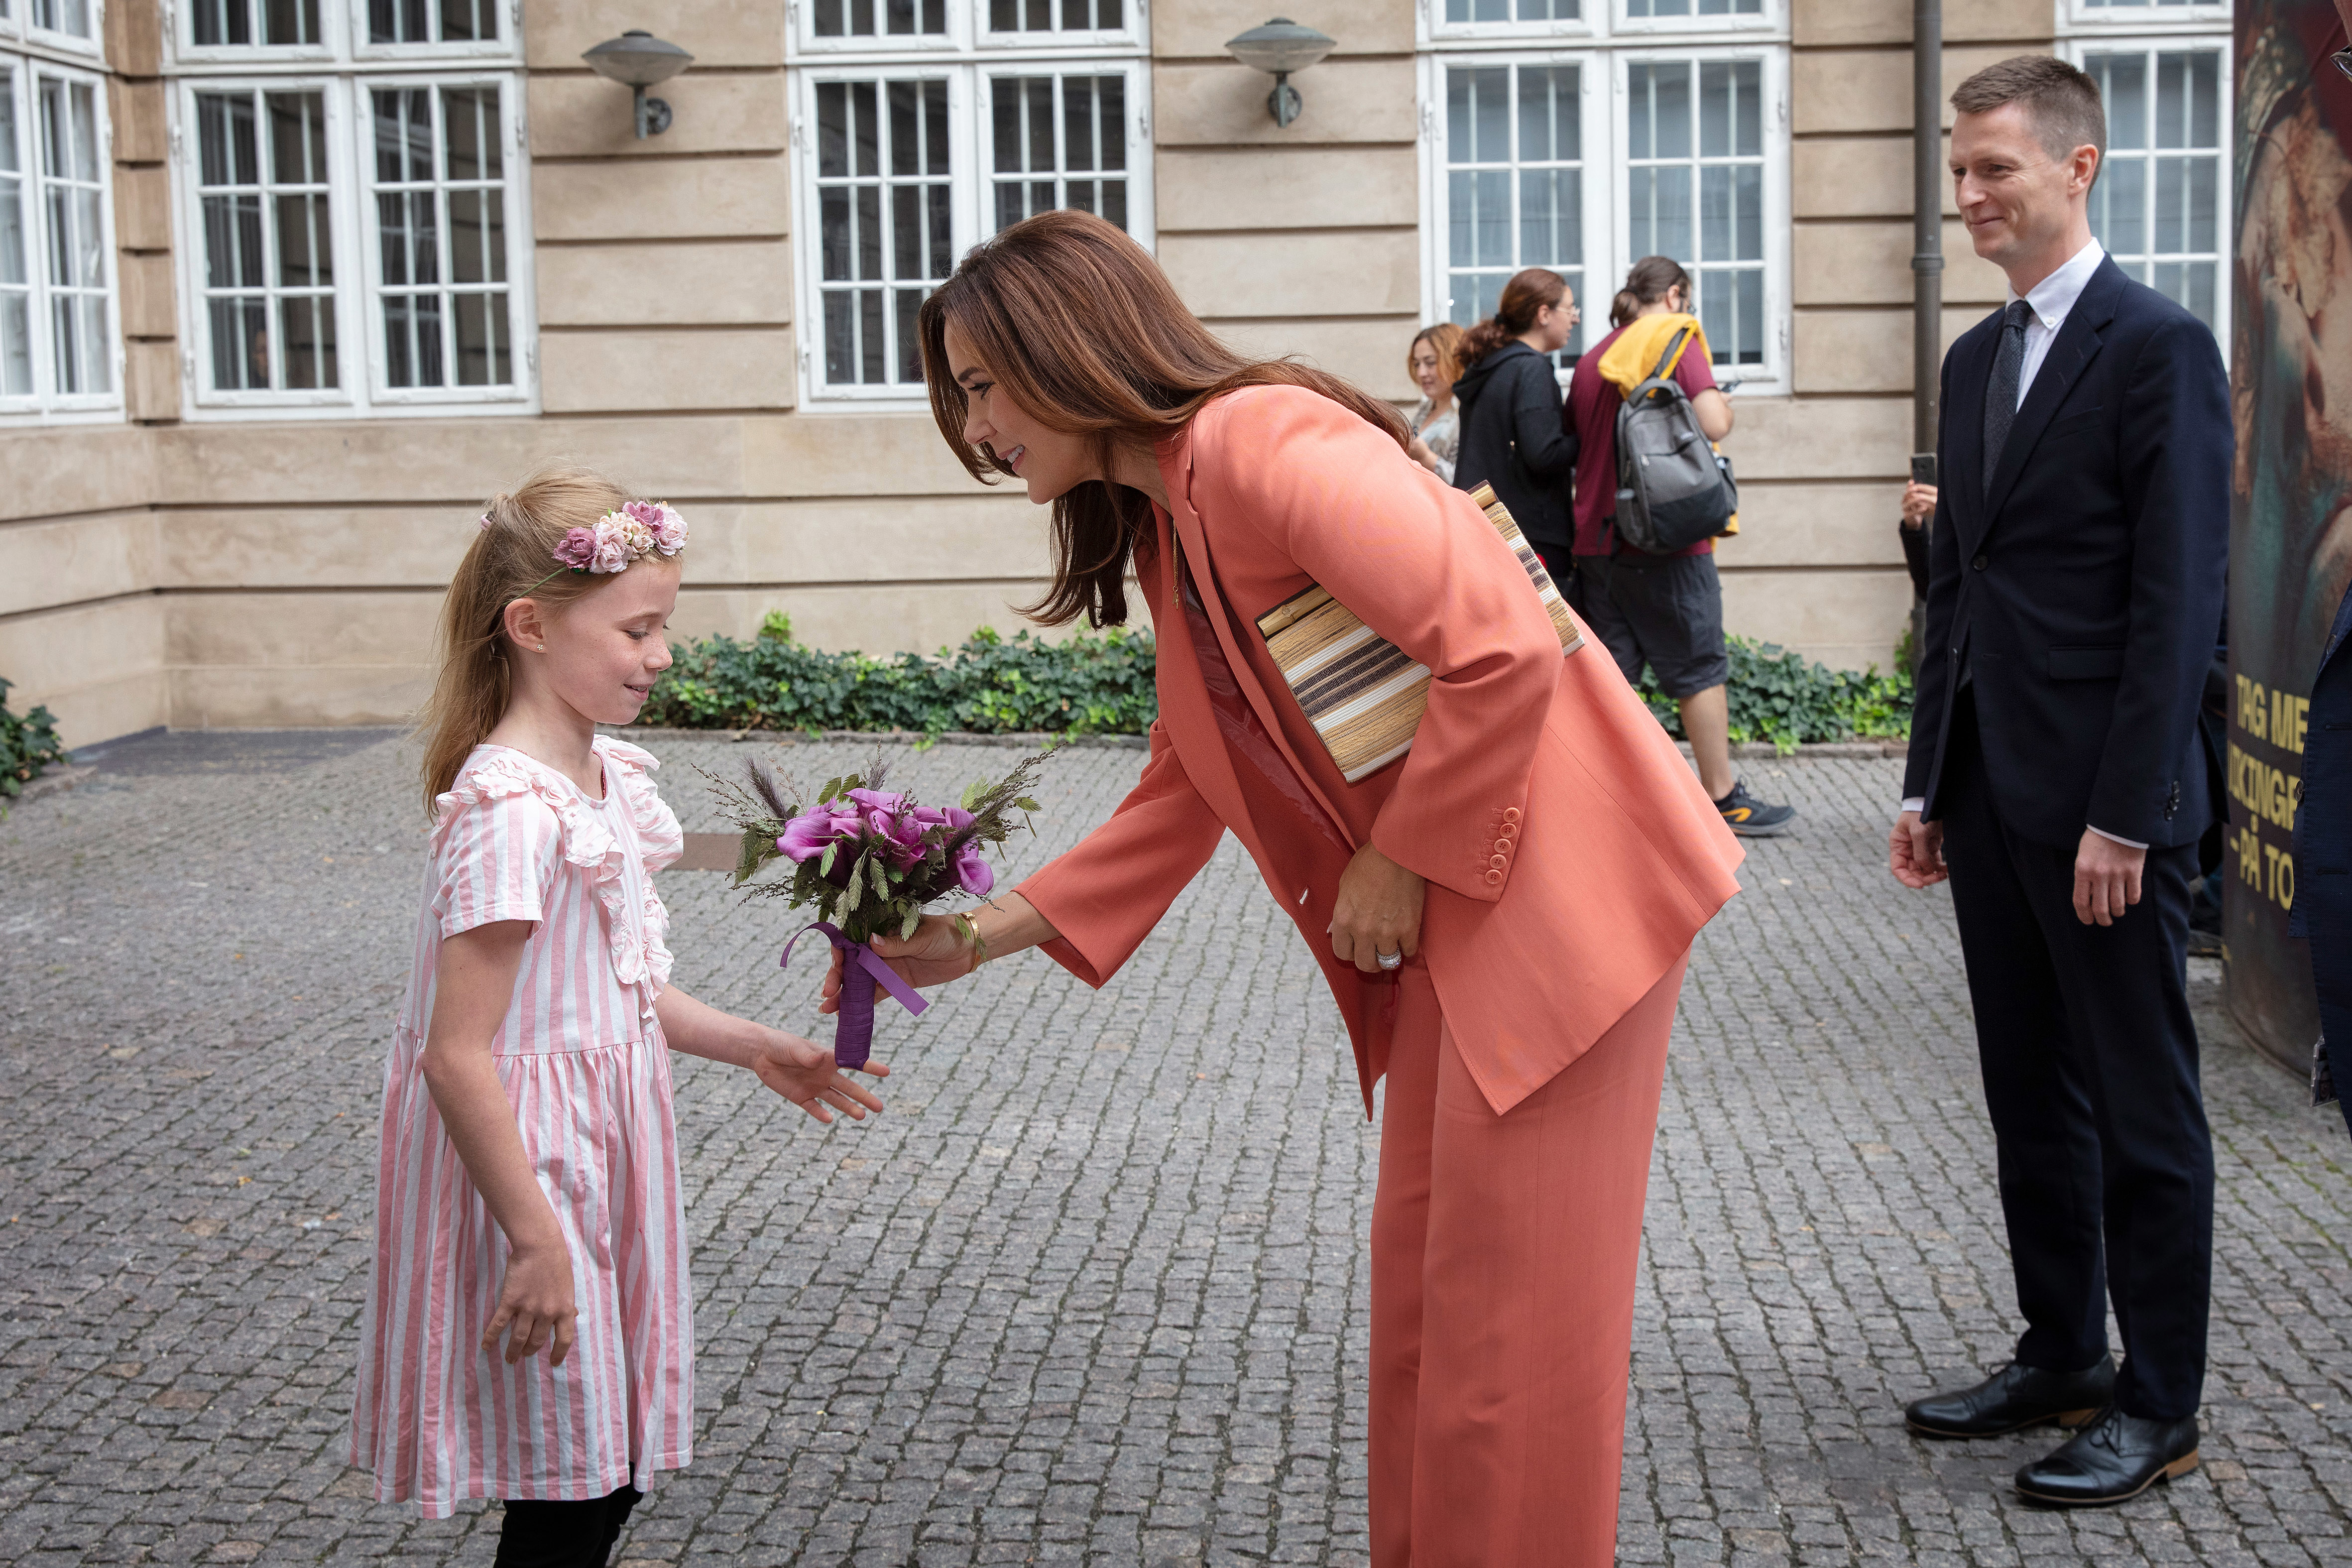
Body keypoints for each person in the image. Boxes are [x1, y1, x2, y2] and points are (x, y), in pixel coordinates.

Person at [837, 209, 1743, 1567]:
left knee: (1507, 1350)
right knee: (1432, 1325)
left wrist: (1398, 853)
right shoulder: (1173, 512)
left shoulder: (1255, 443)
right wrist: (981, 935)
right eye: (956, 396)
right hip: (1468, 913)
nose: (972, 428)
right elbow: (1184, 776)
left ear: (1067, 347)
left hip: (1558, 909)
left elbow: (1499, 636)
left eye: (979, 384)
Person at [350, 468, 888, 1564]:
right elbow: (458, 1056)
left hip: (598, 1153)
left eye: (665, 626)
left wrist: (754, 1045)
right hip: (531, 1168)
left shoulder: (596, 778)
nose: (662, 653)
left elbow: (619, 990)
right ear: (532, 624)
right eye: (638, 628)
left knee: (603, 1466)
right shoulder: (507, 810)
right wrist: (534, 1236)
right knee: (570, 1483)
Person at [1888, 56, 2230, 1507]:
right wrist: (1920, 783)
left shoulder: (2155, 347)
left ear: (2076, 169)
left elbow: (2176, 602)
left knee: (2138, 1102)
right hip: (1984, 791)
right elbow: (1956, 587)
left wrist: (2126, 812)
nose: (1965, 195)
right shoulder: (1974, 361)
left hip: (2103, 808)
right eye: (1957, 171)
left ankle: (2156, 1398)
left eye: (1991, 172)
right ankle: (2058, 1348)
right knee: (2025, 1090)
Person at [1564, 256, 1795, 837]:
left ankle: (1596, 797)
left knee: (1612, 676)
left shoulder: (1593, 359)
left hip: (1594, 538)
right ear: (1674, 295)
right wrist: (1724, 400)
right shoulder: (1672, 335)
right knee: (1696, 666)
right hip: (1662, 538)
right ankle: (1720, 796)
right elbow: (1712, 421)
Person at [1448, 266, 1578, 556]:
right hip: (1529, 537)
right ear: (1544, 315)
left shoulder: (1490, 367)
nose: (1576, 318)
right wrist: (1585, 439)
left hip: (1486, 525)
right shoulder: (1531, 369)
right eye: (1570, 309)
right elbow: (1543, 454)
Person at [1405, 322, 1464, 483]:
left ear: (1454, 361)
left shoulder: (1467, 414)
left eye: (1430, 363)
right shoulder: (1426, 409)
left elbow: (1469, 483)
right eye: (1417, 364)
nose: (1421, 373)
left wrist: (1427, 458)